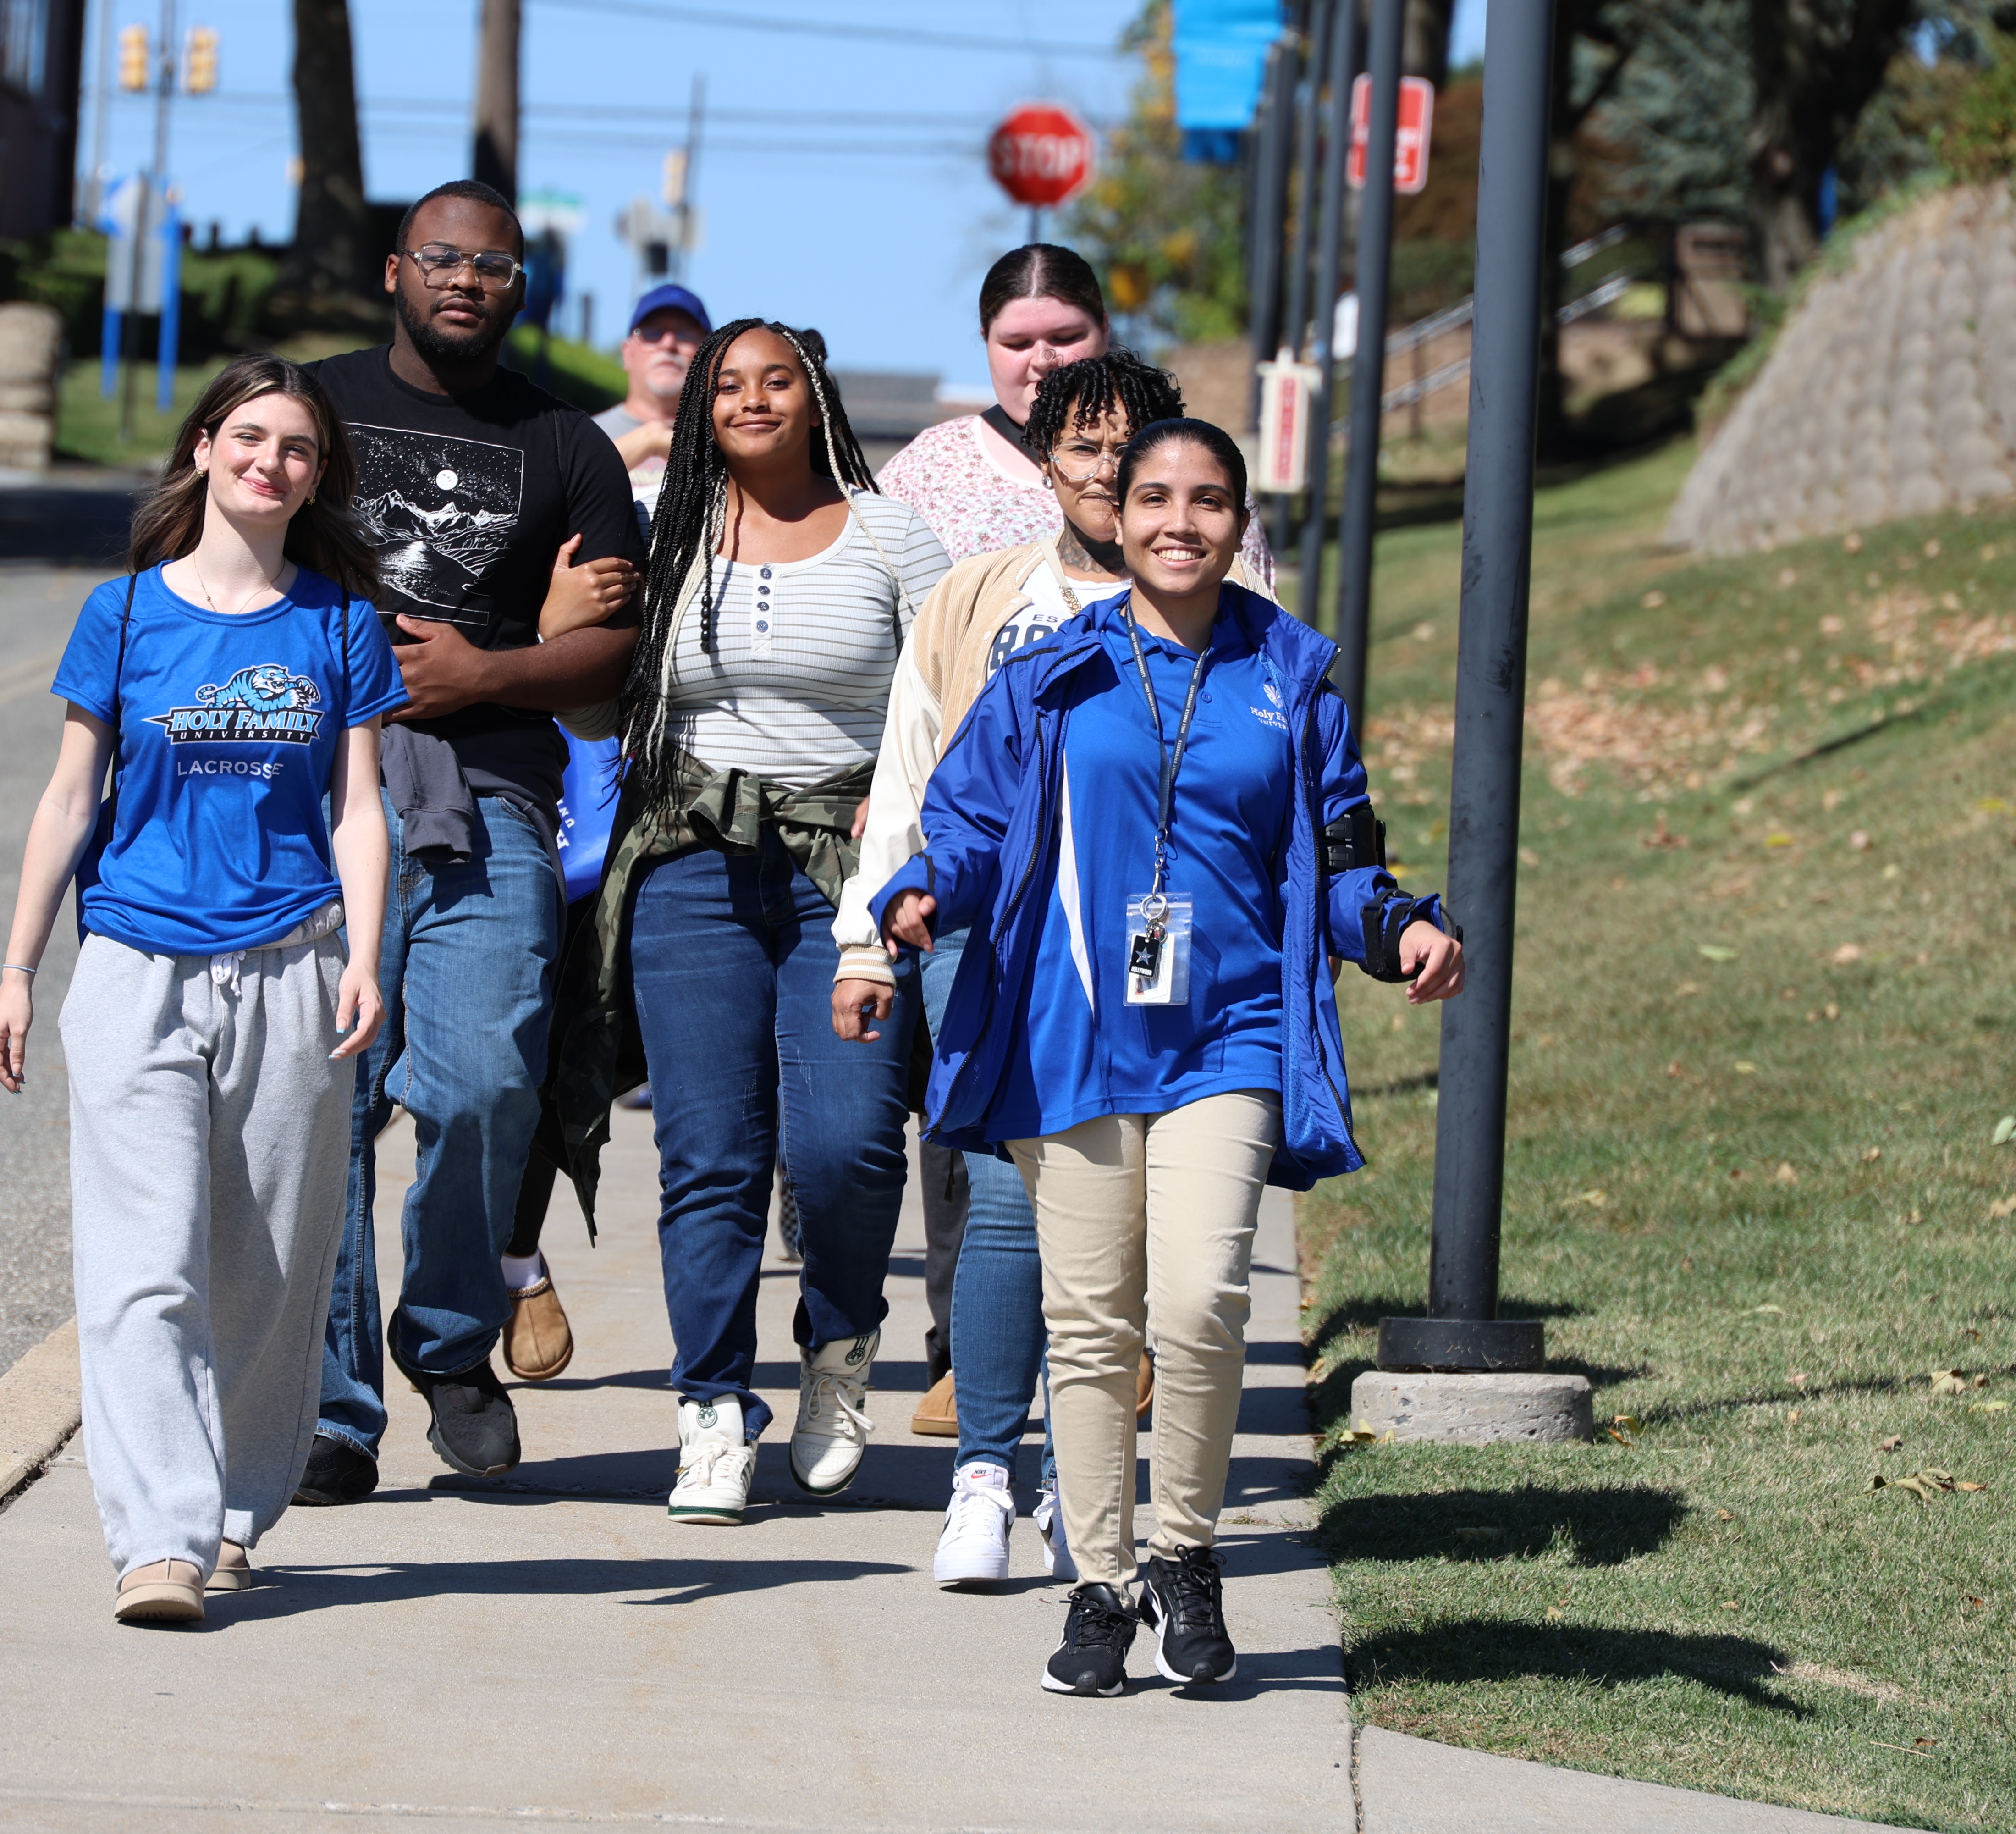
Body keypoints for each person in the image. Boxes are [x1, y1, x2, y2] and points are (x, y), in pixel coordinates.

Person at [873, 418, 1464, 1695]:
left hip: (1231, 1029)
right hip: (1071, 1029)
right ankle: (1101, 1586)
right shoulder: (1050, 674)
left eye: (1206, 501)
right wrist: (924, 895)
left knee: (1199, 1304)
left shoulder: (1291, 674)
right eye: (1153, 499)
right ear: (1116, 513)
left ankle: (1185, 1559)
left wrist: (1401, 925)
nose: (1177, 523)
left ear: (1239, 522)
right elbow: (968, 828)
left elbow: (1345, 855)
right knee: (1087, 1325)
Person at [834, 349, 1292, 1588]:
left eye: (1132, 451)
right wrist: (877, 927)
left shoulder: (1250, 622)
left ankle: (1087, 1491)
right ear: (1049, 466)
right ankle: (988, 1471)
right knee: (998, 1195)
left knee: (1147, 1245)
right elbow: (916, 779)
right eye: (1085, 450)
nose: (1109, 473)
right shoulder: (983, 601)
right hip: (989, 936)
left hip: (1171, 963)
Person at [0, 355, 402, 1624]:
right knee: (142, 1266)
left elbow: (360, 810)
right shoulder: (121, 615)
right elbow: (69, 800)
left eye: (300, 451)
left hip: (293, 966)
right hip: (135, 967)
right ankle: (155, 1540)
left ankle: (230, 1512)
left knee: (268, 1273)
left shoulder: (338, 622)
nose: (272, 464)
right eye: (252, 439)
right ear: (207, 447)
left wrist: (366, 958)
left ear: (316, 479)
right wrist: (14, 969)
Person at [545, 319, 951, 1525]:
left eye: (779, 378)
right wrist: (564, 619)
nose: (754, 397)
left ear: (815, 394)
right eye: (730, 382)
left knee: (847, 1145)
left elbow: (950, 704)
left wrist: (904, 793)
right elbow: (590, 721)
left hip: (844, 879)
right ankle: (711, 1409)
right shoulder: (660, 520)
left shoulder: (890, 535)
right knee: (708, 1159)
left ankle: (838, 1345)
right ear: (700, 406)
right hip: (689, 870)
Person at [292, 178, 644, 1506]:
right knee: (329, 1106)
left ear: (519, 290)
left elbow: (611, 646)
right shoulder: (313, 407)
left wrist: (480, 674)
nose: (464, 280)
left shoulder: (568, 445)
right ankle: (336, 1409)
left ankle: (447, 1343)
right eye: (440, 258)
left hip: (492, 798)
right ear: (396, 270)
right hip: (319, 804)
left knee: (491, 1082)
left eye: (492, 267)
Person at [593, 283, 710, 488]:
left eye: (684, 334)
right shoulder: (582, 436)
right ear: (627, 353)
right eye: (653, 334)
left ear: (710, 355)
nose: (668, 344)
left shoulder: (730, 439)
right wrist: (651, 438)